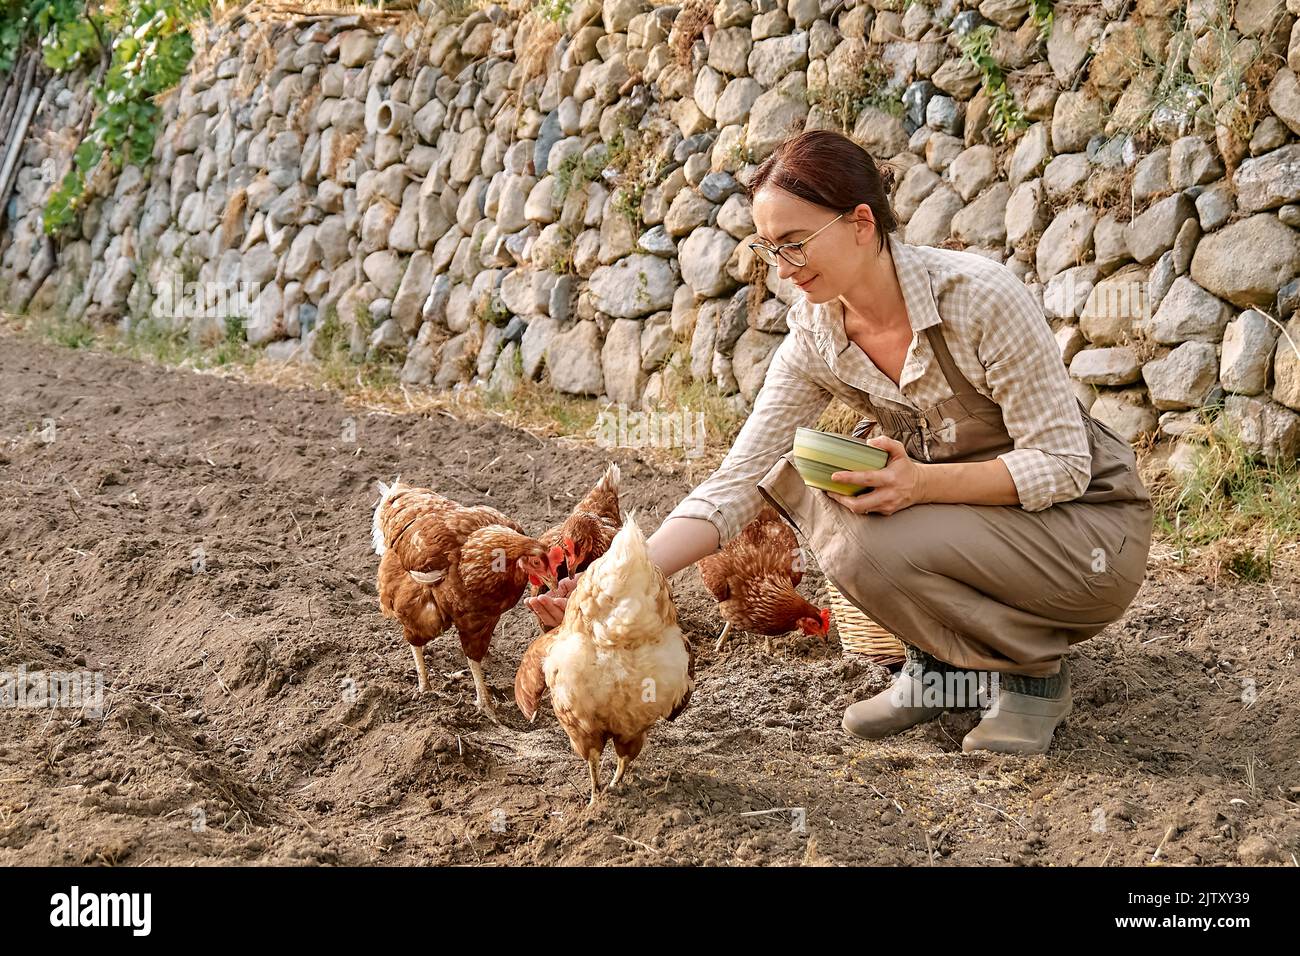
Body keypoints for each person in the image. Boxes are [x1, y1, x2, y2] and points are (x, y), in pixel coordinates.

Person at [529, 128, 1153, 755]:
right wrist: (610, 581)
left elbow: (1063, 465)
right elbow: (738, 481)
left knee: (877, 512)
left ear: (861, 222)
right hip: (974, 526)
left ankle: (1034, 679)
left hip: (1083, 532)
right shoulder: (817, 335)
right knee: (821, 502)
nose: (784, 268)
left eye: (795, 243)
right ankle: (942, 673)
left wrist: (920, 483)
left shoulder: (979, 299)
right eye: (769, 249)